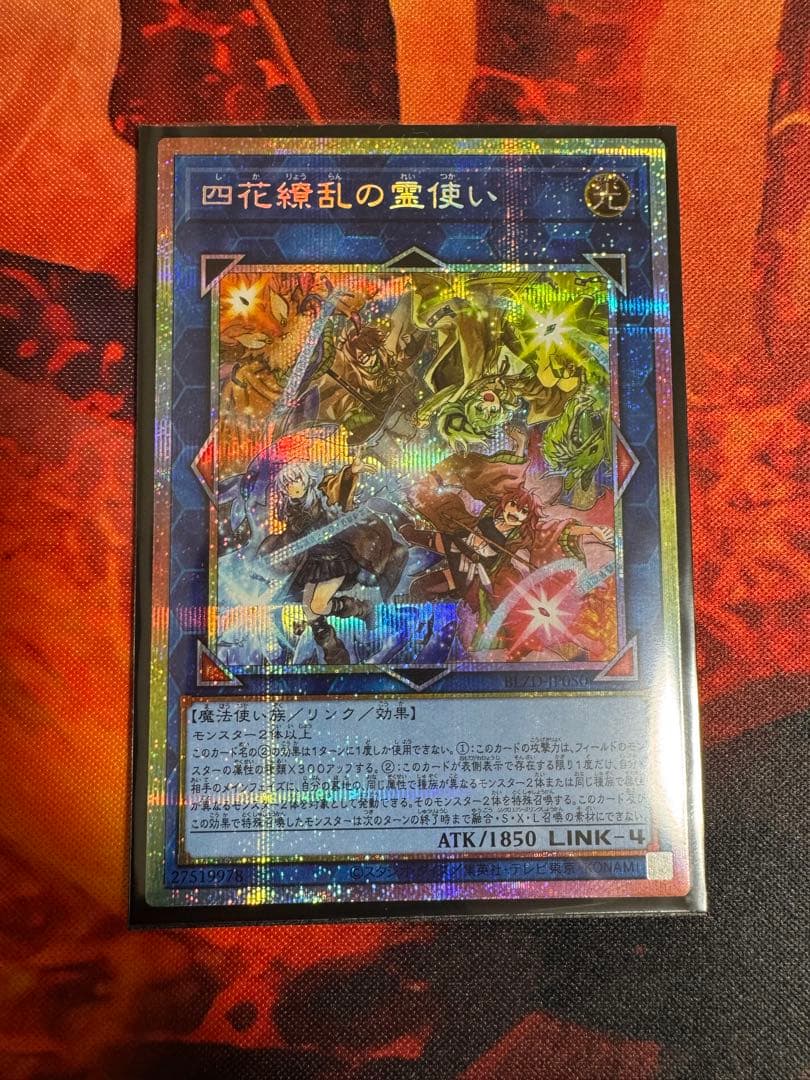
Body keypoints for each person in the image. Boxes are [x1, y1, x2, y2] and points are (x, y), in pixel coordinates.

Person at [259, 455, 408, 664]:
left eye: (297, 479)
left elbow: (340, 491)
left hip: (335, 559)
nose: (293, 485)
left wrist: (351, 473)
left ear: (306, 480)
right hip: (313, 563)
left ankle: (362, 609)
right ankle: (335, 655)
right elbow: (291, 538)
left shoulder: (322, 495)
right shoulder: (291, 510)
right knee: (311, 611)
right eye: (288, 483)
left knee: (318, 606)